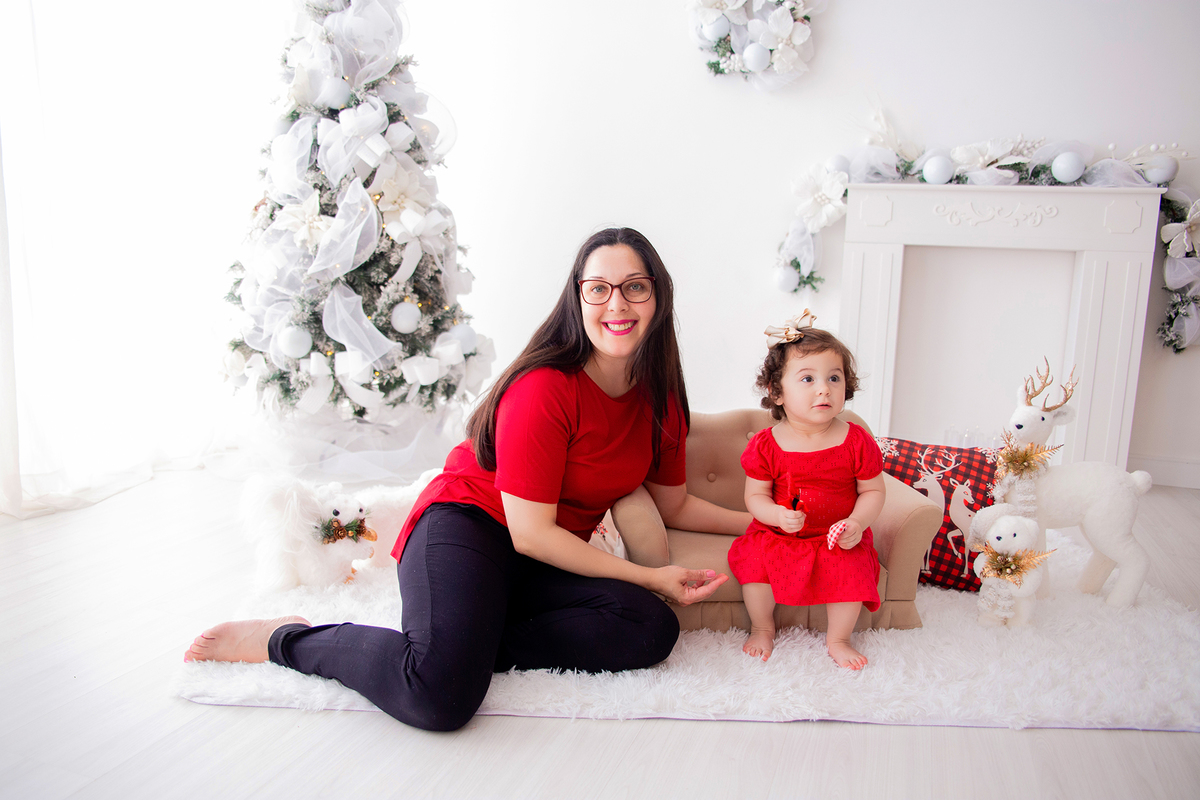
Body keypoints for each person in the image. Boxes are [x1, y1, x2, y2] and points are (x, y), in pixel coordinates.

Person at [185, 227, 749, 730]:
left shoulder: (663, 400)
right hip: (467, 525)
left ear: (658, 296)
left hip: (540, 559)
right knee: (438, 696)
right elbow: (530, 532)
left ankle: (465, 642)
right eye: (597, 287)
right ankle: (285, 640)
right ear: (578, 299)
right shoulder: (546, 387)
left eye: (634, 286)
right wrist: (648, 575)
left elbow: (674, 506)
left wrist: (766, 523)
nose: (615, 303)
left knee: (648, 629)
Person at [726, 312, 886, 669]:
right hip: (779, 535)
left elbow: (873, 491)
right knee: (755, 569)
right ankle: (762, 627)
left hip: (836, 537)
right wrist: (777, 516)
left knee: (851, 571)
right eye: (808, 379)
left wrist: (856, 524)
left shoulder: (856, 440)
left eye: (834, 377)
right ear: (777, 392)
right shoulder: (768, 444)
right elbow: (755, 497)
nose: (824, 388)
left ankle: (839, 638)